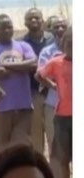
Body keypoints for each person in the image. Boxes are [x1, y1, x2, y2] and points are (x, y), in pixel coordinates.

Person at [0, 15, 38, 148]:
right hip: (2, 107)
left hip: (24, 106)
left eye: (10, 27)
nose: (7, 30)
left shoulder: (24, 46)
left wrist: (4, 65)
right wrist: (21, 67)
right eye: (3, 28)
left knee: (22, 144)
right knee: (4, 147)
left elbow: (33, 65)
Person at [38, 26, 73, 178]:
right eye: (68, 43)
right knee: (62, 157)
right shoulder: (56, 62)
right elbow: (39, 75)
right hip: (62, 116)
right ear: (62, 43)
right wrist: (53, 85)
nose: (72, 46)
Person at [18, 8, 54, 155]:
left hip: (53, 93)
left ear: (43, 20)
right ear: (25, 23)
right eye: (30, 18)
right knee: (36, 137)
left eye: (37, 18)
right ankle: (40, 171)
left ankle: (56, 173)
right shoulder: (20, 43)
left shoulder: (53, 39)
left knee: (54, 136)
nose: (34, 21)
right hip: (32, 94)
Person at [35, 16, 68, 160]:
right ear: (50, 30)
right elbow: (40, 75)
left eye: (63, 26)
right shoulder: (47, 52)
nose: (60, 30)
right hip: (54, 105)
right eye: (56, 27)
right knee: (55, 145)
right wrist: (55, 85)